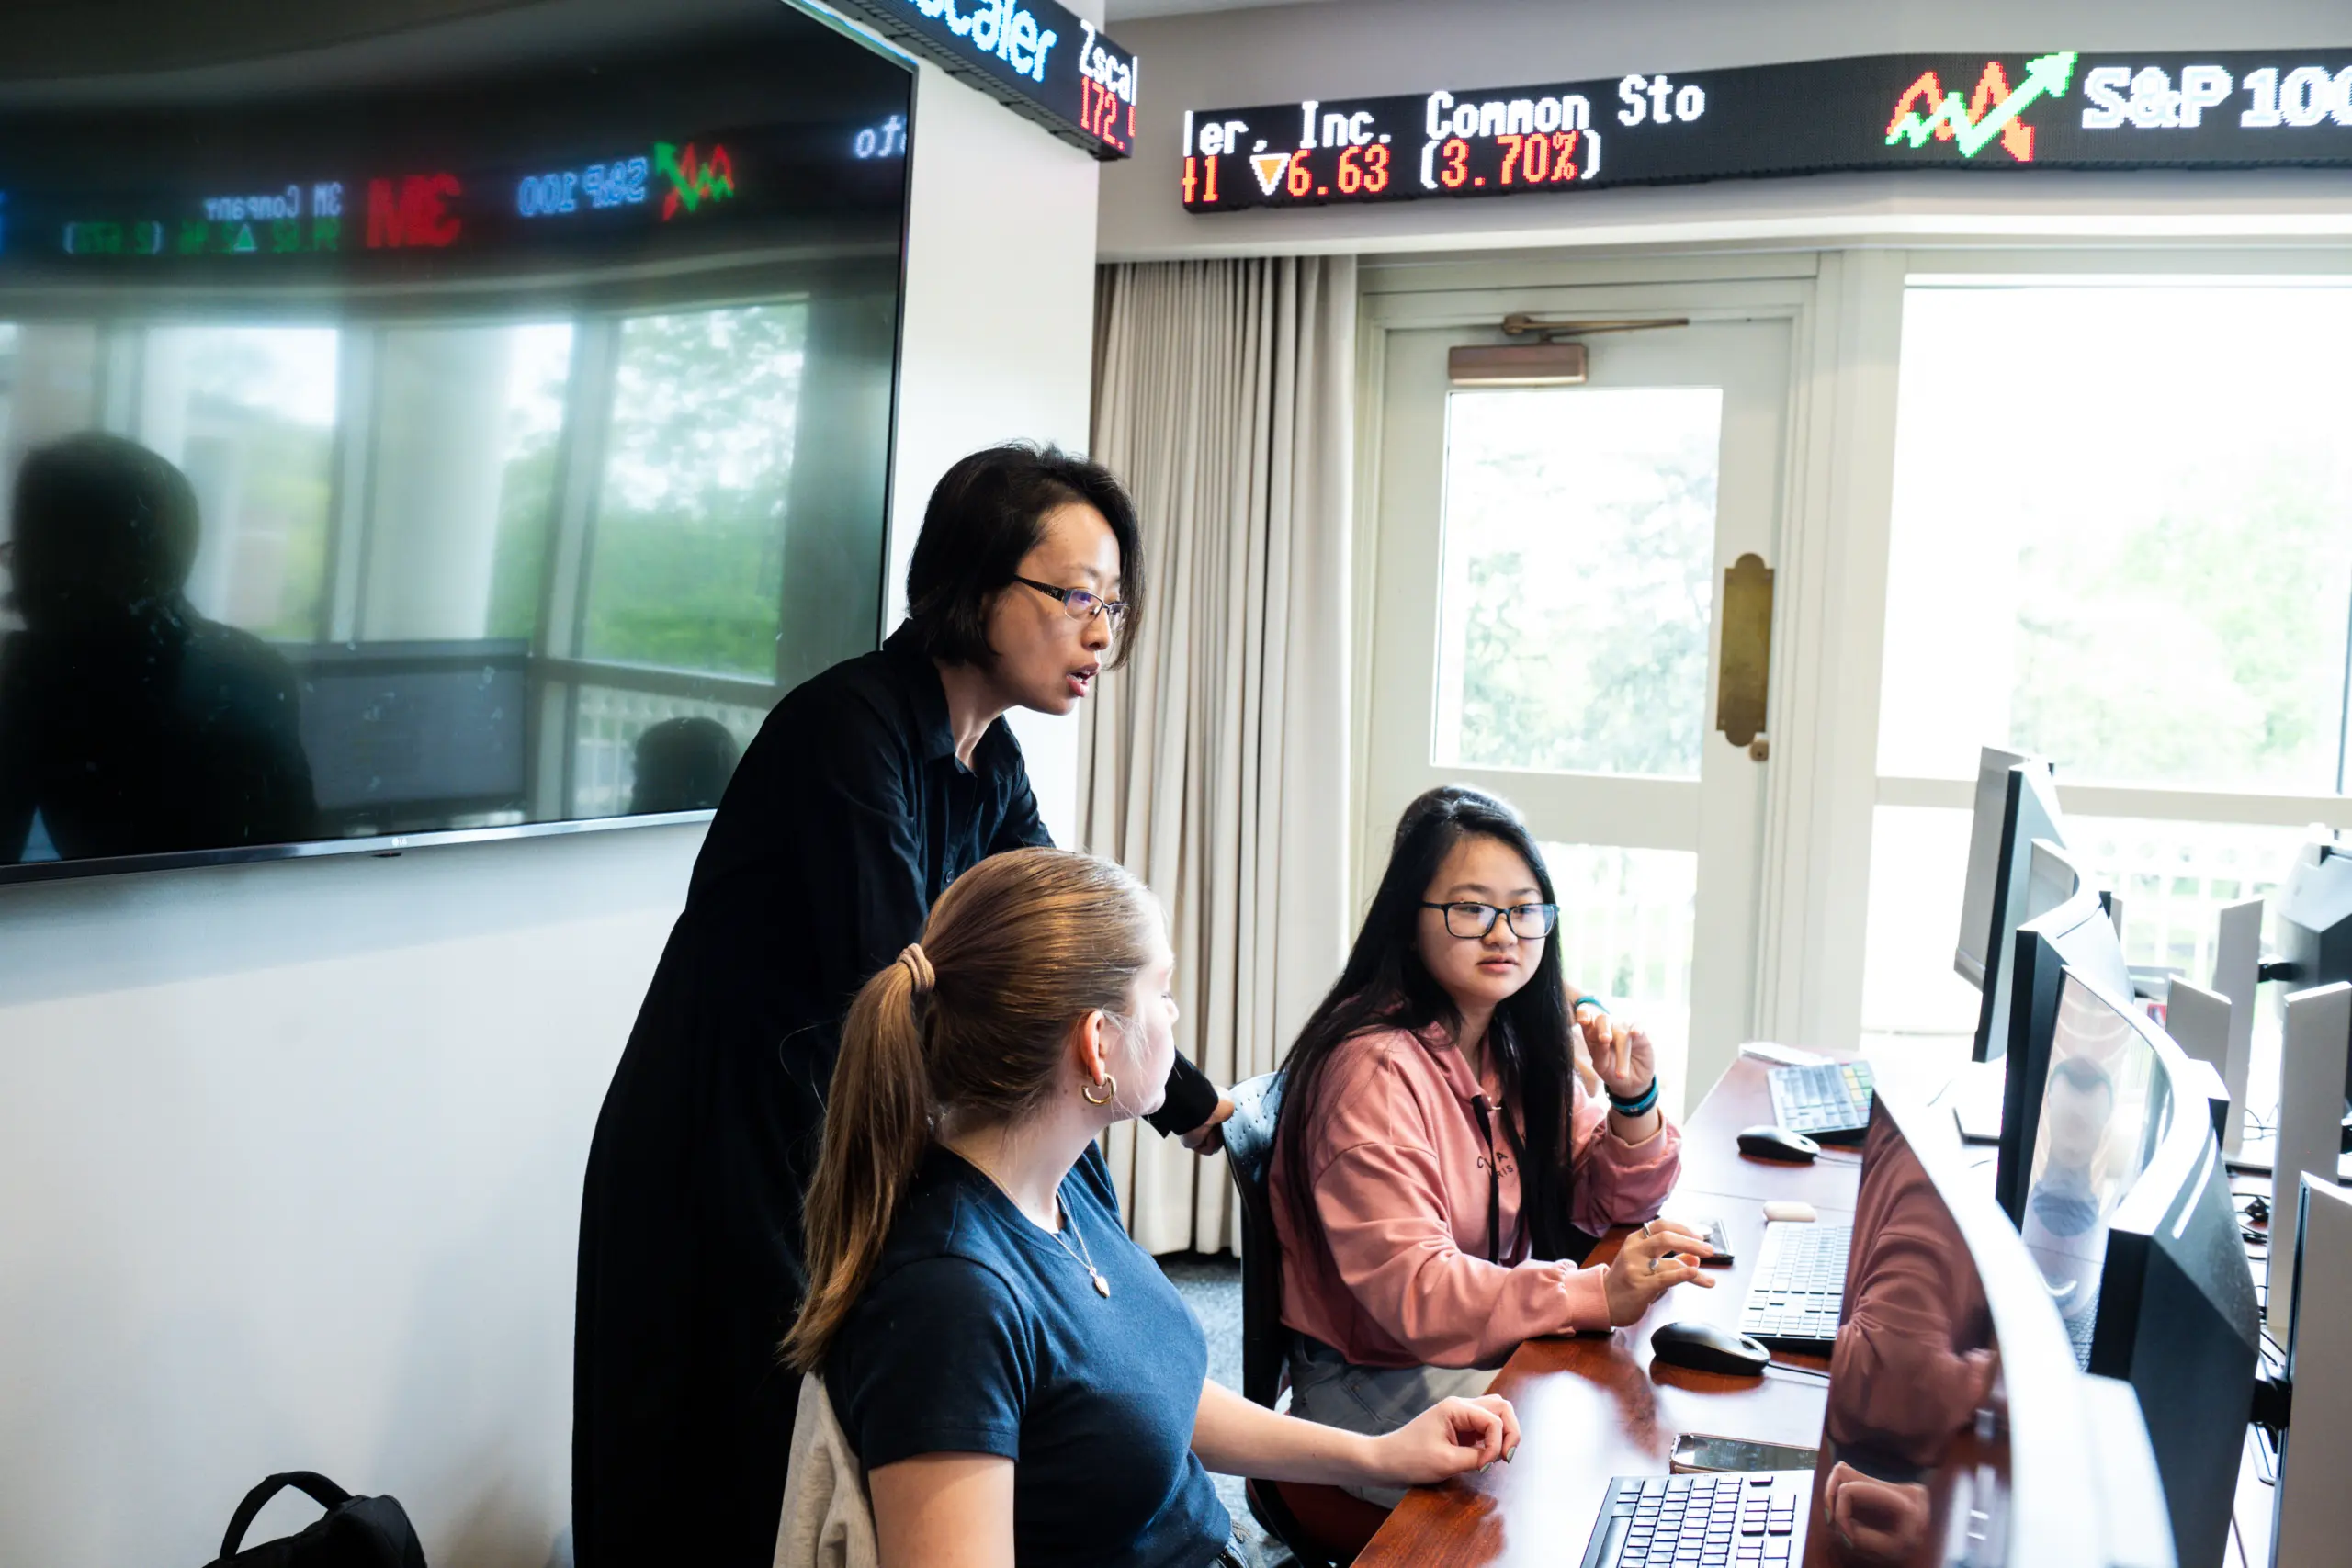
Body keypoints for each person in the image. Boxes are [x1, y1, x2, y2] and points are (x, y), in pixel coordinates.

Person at [573, 445, 1231, 1568]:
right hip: (735, 1144)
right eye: (1076, 597)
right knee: (738, 1464)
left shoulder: (991, 758)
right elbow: (905, 984)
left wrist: (1189, 1105)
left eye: (1113, 605)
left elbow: (1065, 966)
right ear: (974, 587)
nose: (1101, 633)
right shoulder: (848, 728)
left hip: (845, 1137)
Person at [786, 846, 1522, 1568]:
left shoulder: (1061, 1179)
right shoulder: (948, 1301)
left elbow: (1140, 1393)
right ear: (1097, 1045)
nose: (1174, 1013)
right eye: (1160, 990)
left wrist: (1379, 1452)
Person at [1269, 785, 1709, 1504]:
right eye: (1472, 908)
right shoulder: (1372, 1070)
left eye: (1524, 908)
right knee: (1581, 1486)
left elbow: (1602, 1198)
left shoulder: (1509, 1040)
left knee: (1639, 1426)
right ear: (1410, 921)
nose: (1504, 932)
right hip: (1372, 1382)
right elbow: (1419, 1292)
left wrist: (1634, 1101)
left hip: (1474, 1347)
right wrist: (1596, 1290)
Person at [0, 432, 315, 865]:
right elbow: (298, 847)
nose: (15, 572)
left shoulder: (33, 678)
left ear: (66, 563)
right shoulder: (253, 664)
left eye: (24, 550)